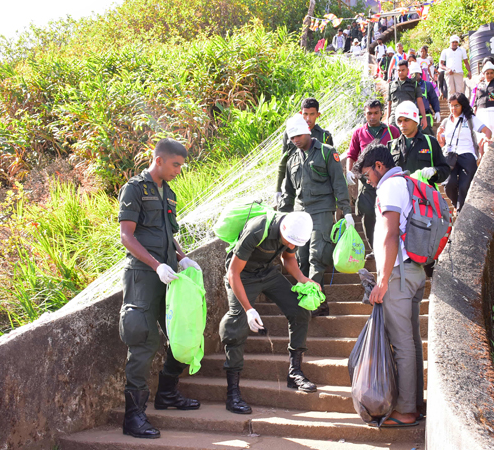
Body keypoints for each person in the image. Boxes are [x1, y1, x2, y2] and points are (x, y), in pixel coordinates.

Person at [117, 138, 202, 439]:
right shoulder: (134, 189)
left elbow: (169, 233)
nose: (179, 169)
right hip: (143, 275)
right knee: (143, 340)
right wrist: (156, 265)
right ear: (159, 160)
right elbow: (127, 236)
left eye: (181, 165)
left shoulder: (169, 193)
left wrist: (183, 257)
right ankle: (133, 417)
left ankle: (167, 394)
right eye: (175, 164)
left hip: (169, 274)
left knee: (181, 334)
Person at [352, 142, 426, 427]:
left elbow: (391, 234)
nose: (367, 180)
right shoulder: (406, 183)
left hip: (398, 274)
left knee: (402, 344)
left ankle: (406, 411)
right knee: (411, 342)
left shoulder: (390, 186)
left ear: (379, 166)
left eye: (368, 174)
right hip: (414, 271)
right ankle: (414, 403)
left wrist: (382, 280)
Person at [219, 211, 318, 414]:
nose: (291, 246)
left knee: (300, 311)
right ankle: (233, 393)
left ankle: (295, 372)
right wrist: (249, 309)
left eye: (295, 243)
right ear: (282, 229)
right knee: (237, 325)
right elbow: (233, 273)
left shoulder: (294, 231)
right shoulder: (257, 230)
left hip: (268, 273)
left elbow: (288, 258)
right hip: (242, 277)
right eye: (289, 241)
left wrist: (304, 280)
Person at [280, 114, 353, 317]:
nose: (295, 140)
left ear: (307, 131)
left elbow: (339, 183)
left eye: (298, 136)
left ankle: (309, 303)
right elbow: (288, 192)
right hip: (300, 213)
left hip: (322, 211)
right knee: (301, 259)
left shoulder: (327, 152)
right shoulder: (291, 159)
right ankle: (318, 302)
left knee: (317, 255)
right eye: (291, 137)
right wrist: (281, 219)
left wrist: (346, 212)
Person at [346, 99, 401, 255]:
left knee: (388, 212)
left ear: (382, 113)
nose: (372, 116)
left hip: (388, 181)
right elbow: (351, 154)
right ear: (365, 113)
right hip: (367, 181)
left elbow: (398, 152)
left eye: (376, 113)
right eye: (369, 113)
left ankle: (391, 248)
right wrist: (350, 171)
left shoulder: (392, 131)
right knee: (367, 212)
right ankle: (374, 249)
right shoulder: (359, 133)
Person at [437, 93, 492, 212]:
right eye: (451, 106)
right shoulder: (446, 121)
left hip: (467, 155)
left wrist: (487, 138)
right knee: (449, 184)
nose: (453, 109)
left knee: (464, 186)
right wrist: (440, 141)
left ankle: (460, 210)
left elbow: (487, 130)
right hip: (450, 156)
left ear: (462, 105)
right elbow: (441, 138)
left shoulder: (470, 119)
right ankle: (456, 203)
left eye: (456, 105)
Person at [276, 98, 333, 202]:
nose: (308, 118)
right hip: (294, 183)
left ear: (318, 114)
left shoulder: (324, 136)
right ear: (300, 113)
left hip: (318, 187)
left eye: (312, 114)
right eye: (305, 114)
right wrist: (278, 188)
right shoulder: (290, 133)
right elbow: (283, 161)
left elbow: (331, 166)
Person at [389, 101, 449, 186]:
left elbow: (445, 170)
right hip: (401, 194)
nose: (403, 124)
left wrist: (434, 172)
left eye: (406, 120)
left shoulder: (430, 142)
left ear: (415, 121)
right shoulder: (392, 146)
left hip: (424, 195)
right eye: (400, 121)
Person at [386, 60, 428, 129]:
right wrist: (388, 119)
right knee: (394, 138)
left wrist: (424, 118)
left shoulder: (414, 84)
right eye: (399, 70)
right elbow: (389, 104)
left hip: (409, 116)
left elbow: (420, 101)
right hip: (394, 117)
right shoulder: (391, 85)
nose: (401, 72)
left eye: (403, 70)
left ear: (407, 70)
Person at [409, 62, 442, 136]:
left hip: (426, 116)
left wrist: (437, 111)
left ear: (419, 73)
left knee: (426, 139)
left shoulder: (427, 85)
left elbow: (434, 99)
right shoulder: (408, 86)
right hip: (412, 117)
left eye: (416, 73)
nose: (414, 76)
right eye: (412, 74)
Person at [439, 35, 471, 100]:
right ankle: (452, 108)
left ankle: (460, 107)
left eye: (456, 42)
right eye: (453, 42)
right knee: (451, 91)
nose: (454, 44)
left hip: (458, 73)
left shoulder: (462, 50)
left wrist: (469, 71)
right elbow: (440, 64)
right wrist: (447, 69)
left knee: (459, 92)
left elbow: (466, 62)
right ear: (450, 43)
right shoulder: (445, 51)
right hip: (449, 74)